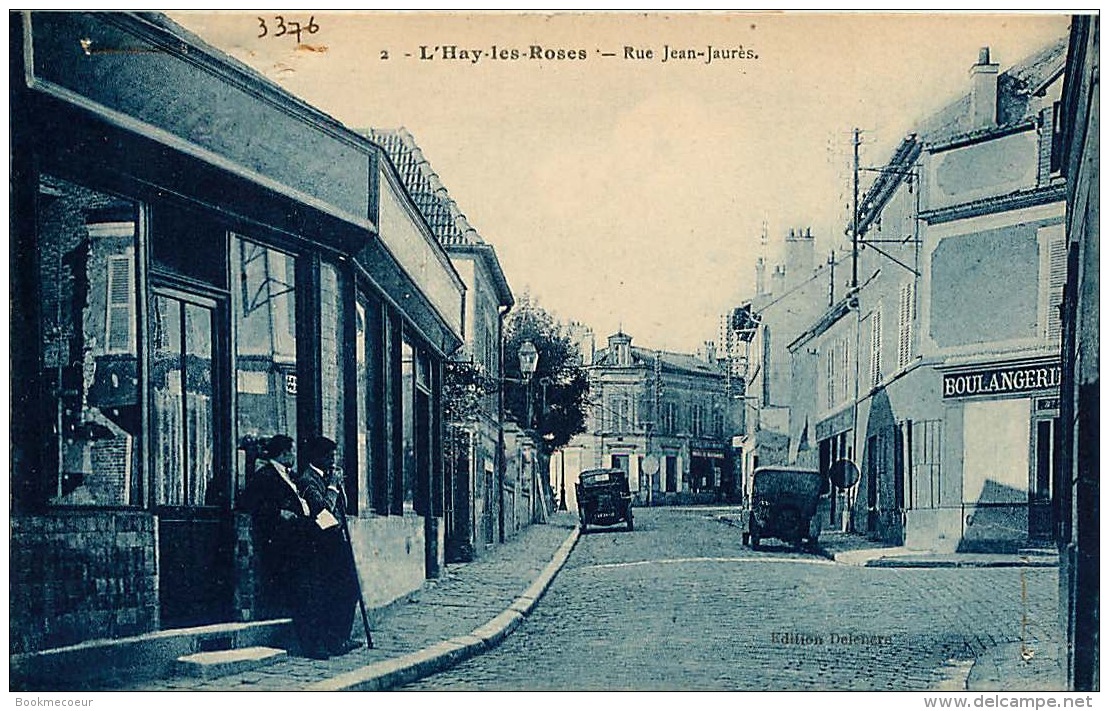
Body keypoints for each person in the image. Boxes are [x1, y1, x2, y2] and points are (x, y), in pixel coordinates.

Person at [297, 435, 362, 659]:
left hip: (337, 540)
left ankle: (340, 637)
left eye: (334, 455)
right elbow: (323, 510)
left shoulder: (327, 477)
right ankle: (330, 639)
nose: (333, 460)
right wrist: (333, 486)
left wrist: (337, 485)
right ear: (318, 457)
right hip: (320, 545)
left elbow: (341, 506)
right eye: (329, 456)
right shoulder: (307, 480)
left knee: (350, 588)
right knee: (328, 592)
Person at [239, 435, 308, 619]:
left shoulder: (289, 475)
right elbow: (249, 503)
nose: (293, 456)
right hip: (278, 538)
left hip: (296, 535)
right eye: (291, 452)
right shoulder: (265, 475)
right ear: (284, 453)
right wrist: (278, 512)